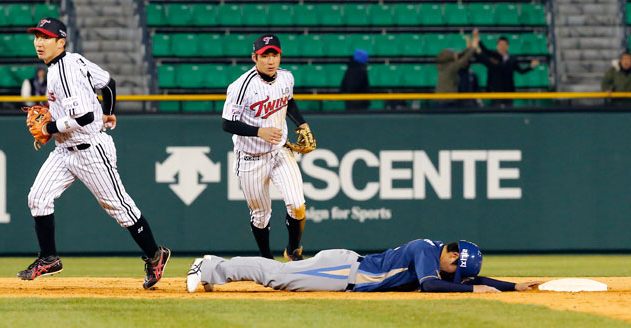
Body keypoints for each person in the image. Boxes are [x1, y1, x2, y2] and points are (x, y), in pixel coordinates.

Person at [19, 17, 170, 289]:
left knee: (120, 208)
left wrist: (50, 126)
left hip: (89, 150)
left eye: (45, 38)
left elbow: (87, 116)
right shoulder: (73, 61)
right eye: (37, 37)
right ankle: (48, 258)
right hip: (64, 150)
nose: (38, 43)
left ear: (60, 42)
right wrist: (110, 112)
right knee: (38, 198)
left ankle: (155, 255)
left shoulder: (65, 72)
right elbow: (108, 82)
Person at [221, 34, 313, 261]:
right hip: (251, 156)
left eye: (275, 55)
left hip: (280, 151)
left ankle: (293, 250)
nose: (271, 60)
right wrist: (258, 131)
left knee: (297, 204)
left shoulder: (286, 78)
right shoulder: (240, 86)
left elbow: (288, 100)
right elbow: (226, 123)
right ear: (255, 57)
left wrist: (301, 123)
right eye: (265, 55)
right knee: (261, 215)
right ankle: (266, 260)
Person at [186, 239, 543, 293]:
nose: (460, 276)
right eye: (458, 269)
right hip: (343, 272)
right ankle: (212, 266)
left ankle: (216, 270)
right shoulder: (425, 250)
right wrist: (472, 289)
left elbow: (474, 277)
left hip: (347, 272)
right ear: (449, 254)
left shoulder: (442, 257)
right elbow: (433, 285)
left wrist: (510, 286)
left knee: (278, 275)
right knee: (278, 276)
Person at [473, 29, 539, 107]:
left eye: (504, 45)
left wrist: (531, 67)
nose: (502, 47)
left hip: (508, 91)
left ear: (508, 46)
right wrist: (477, 38)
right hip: (494, 91)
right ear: (497, 46)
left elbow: (521, 71)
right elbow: (485, 50)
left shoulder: (512, 59)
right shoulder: (493, 55)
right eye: (500, 45)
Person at [434, 34, 480, 108]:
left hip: (442, 101)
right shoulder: (450, 67)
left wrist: (468, 48)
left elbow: (460, 54)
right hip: (446, 102)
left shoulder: (444, 65)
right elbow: (464, 59)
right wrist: (473, 48)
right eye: (453, 54)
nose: (456, 54)